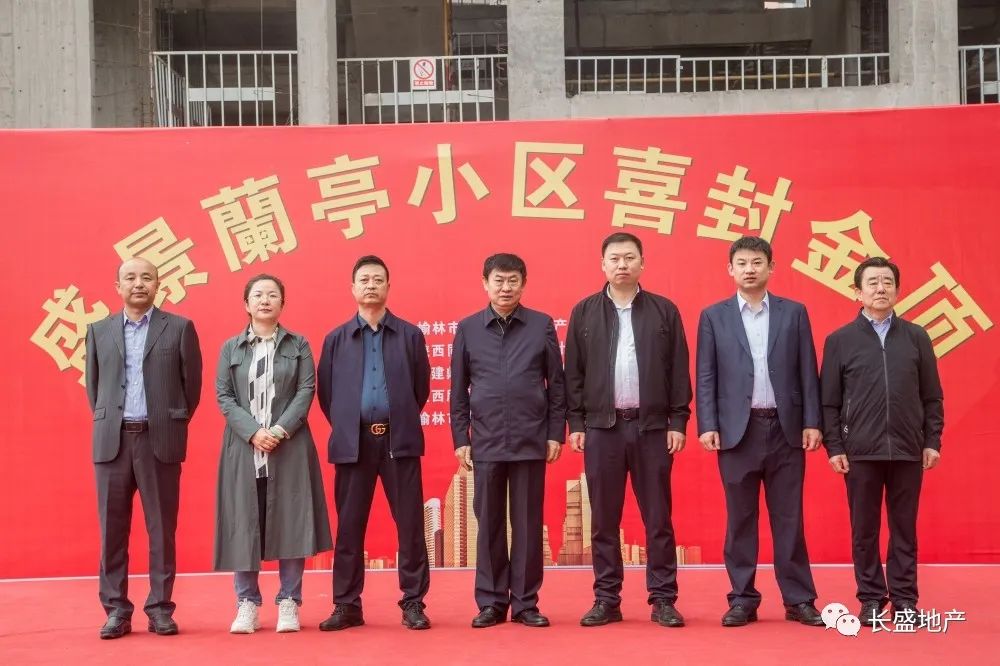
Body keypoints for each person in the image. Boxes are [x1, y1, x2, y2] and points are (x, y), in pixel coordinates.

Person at [695, 236, 824, 628]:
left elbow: (808, 370)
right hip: (738, 431)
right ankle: (742, 599)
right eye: (742, 263)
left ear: (771, 267)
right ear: (730, 269)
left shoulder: (794, 313)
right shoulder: (713, 316)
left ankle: (799, 599)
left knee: (789, 518)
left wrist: (812, 421)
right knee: (740, 519)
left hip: (786, 429)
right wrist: (708, 424)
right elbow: (706, 374)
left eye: (757, 262)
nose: (749, 269)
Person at [565, 232, 692, 629]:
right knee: (604, 519)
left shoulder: (664, 311)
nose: (622, 265)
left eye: (629, 258)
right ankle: (607, 599)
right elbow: (573, 375)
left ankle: (663, 599)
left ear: (642, 263)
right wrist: (576, 423)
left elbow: (678, 370)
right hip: (602, 429)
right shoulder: (584, 312)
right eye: (615, 258)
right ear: (602, 264)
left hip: (652, 429)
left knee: (658, 518)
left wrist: (677, 421)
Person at [820, 256, 944, 626]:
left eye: (887, 282)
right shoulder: (840, 340)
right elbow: (829, 401)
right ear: (857, 292)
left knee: (904, 528)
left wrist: (931, 441)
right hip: (859, 451)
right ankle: (872, 598)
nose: (880, 288)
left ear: (897, 290)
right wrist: (834, 447)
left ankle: (905, 600)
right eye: (872, 282)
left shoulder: (916, 337)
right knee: (865, 529)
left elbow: (932, 397)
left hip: (908, 449)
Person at [85, 257, 203, 639]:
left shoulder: (179, 328)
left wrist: (168, 423)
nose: (139, 283)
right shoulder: (99, 331)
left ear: (157, 284)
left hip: (158, 440)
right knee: (112, 531)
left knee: (162, 530)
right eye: (131, 278)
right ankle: (116, 611)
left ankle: (160, 608)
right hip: (113, 441)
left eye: (146, 277)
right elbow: (95, 389)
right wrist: (112, 421)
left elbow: (192, 388)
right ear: (117, 286)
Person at [316, 255, 432, 631]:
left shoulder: (410, 335)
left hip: (399, 440)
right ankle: (347, 604)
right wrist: (352, 424)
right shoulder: (336, 339)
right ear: (352, 288)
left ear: (388, 287)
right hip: (354, 444)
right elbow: (327, 395)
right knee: (349, 527)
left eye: (378, 279)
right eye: (364, 279)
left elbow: (420, 389)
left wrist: (396, 418)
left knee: (410, 525)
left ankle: (413, 602)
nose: (371, 285)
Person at [451, 253, 566, 629]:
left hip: (531, 438)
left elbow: (557, 385)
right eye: (498, 280)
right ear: (485, 283)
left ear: (523, 284)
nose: (505, 288)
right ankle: (491, 602)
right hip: (485, 440)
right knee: (489, 524)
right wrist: (461, 438)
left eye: (513, 280)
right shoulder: (468, 328)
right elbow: (458, 391)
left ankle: (526, 603)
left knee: (528, 524)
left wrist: (555, 433)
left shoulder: (541, 325)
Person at [214, 274, 333, 634]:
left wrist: (279, 431)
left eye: (272, 295)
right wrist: (253, 432)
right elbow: (224, 396)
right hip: (243, 448)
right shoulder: (231, 348)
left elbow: (306, 389)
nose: (264, 300)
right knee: (242, 523)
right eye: (258, 295)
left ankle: (289, 601)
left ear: (283, 303)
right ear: (246, 304)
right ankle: (247, 603)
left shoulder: (298, 344)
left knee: (291, 519)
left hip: (289, 446)